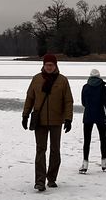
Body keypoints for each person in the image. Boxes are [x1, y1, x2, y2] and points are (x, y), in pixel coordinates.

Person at [22, 53, 74, 192]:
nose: (49, 67)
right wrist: (25, 115)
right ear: (43, 65)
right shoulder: (37, 79)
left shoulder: (62, 81)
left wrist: (68, 119)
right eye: (47, 65)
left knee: (55, 150)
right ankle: (40, 181)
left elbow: (68, 101)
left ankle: (51, 178)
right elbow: (29, 98)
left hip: (57, 120)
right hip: (40, 121)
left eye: (51, 65)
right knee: (40, 150)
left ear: (55, 65)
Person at [80, 68, 106, 173]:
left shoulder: (85, 87)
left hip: (88, 116)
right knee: (103, 139)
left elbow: (83, 103)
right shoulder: (103, 88)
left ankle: (85, 163)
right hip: (100, 115)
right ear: (99, 76)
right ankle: (104, 162)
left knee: (87, 140)